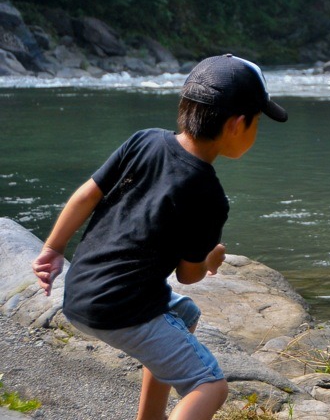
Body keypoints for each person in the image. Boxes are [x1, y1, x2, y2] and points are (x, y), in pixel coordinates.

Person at [31, 54, 288, 420]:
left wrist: (52, 249)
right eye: (257, 123)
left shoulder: (144, 140)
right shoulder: (209, 195)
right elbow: (188, 274)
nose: (256, 131)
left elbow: (86, 195)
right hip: (122, 308)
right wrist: (211, 260)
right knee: (209, 386)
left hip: (79, 294)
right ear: (236, 125)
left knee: (183, 313)